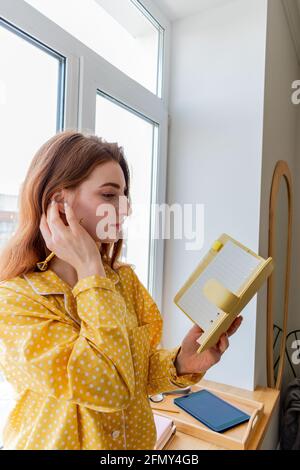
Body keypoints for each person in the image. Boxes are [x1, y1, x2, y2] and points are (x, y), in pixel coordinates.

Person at [0, 130, 243, 450]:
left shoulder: (122, 281)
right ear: (60, 203)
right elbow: (108, 387)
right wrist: (90, 269)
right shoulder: (15, 301)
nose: (125, 209)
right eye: (109, 194)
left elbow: (133, 374)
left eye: (124, 196)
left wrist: (182, 363)